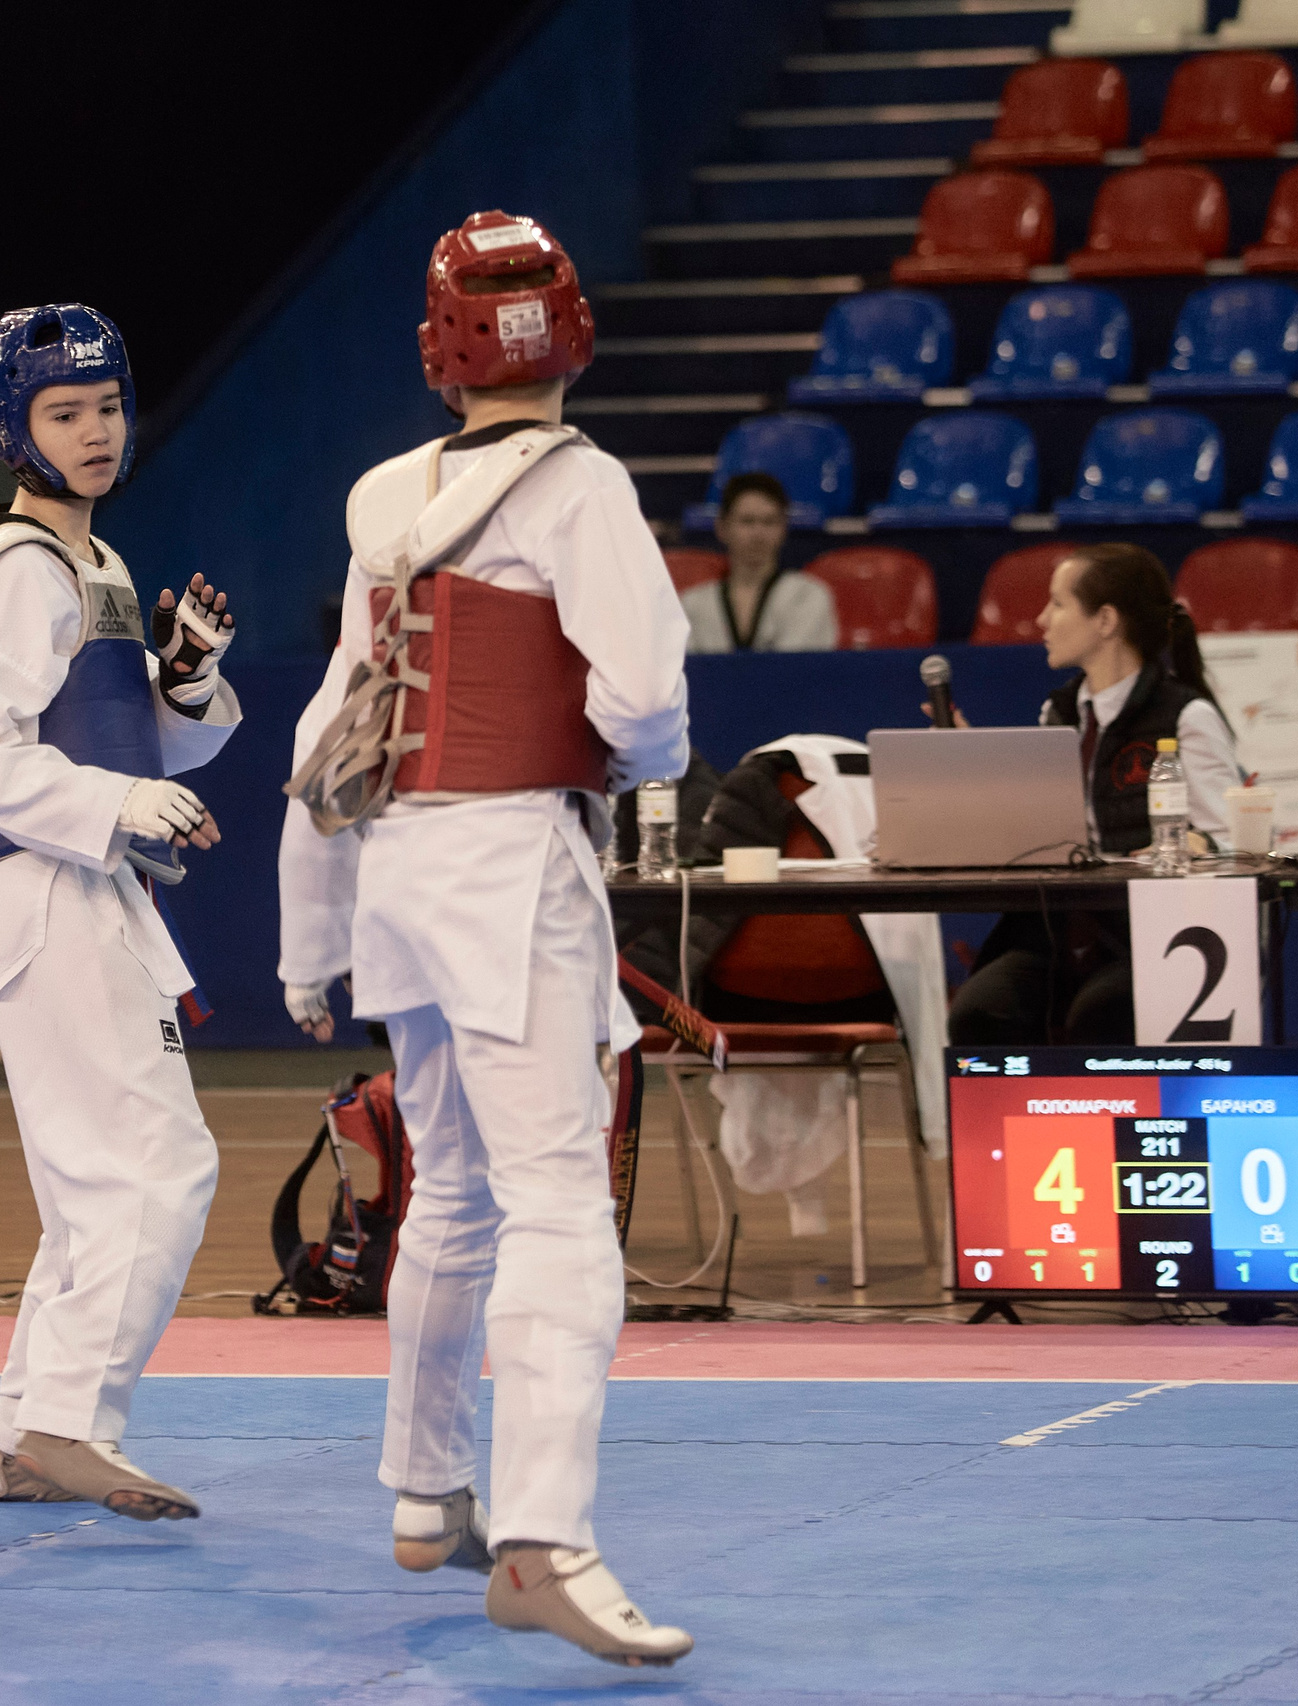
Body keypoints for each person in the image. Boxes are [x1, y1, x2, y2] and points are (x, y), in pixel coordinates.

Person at [281, 210, 695, 1668]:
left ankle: (422, 1487)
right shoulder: (581, 487)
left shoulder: (382, 497)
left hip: (397, 865)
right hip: (511, 864)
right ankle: (542, 1539)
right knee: (560, 1204)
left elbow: (332, 729)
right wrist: (644, 771)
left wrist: (309, 937)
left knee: (449, 1184)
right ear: (574, 337)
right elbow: (643, 697)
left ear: (436, 354)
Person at [0, 304, 239, 1522]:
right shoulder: (12, 568)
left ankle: (12, 1434)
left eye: (108, 405)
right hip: (42, 884)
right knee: (158, 1167)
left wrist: (184, 683)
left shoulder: (92, 564)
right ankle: (66, 1419)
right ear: (16, 428)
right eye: (67, 412)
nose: (97, 430)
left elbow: (139, 750)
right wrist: (123, 800)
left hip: (79, 880)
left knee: (89, 1189)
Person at [949, 543, 1238, 1045]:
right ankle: (1023, 1126)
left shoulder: (1187, 717)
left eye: (1058, 604)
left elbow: (1227, 840)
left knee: (1102, 1013)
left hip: (1151, 934)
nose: (1041, 619)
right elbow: (1042, 838)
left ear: (1105, 621)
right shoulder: (1057, 714)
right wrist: (972, 776)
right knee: (980, 1011)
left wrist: (1193, 844)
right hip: (1056, 932)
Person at [681, 472, 837, 653]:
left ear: (783, 528)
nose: (758, 533)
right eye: (747, 521)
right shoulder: (693, 604)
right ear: (722, 528)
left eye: (769, 522)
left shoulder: (808, 596)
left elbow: (798, 673)